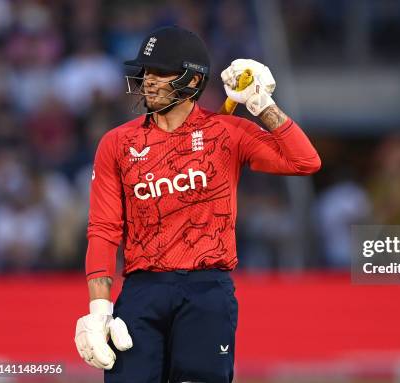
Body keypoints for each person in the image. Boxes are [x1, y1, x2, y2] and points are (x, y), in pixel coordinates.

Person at [74, 25, 321, 383]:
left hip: (207, 290)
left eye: (161, 72)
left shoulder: (228, 132)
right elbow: (103, 229)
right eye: (146, 72)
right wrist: (98, 309)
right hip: (143, 291)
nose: (148, 81)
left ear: (191, 81)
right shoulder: (117, 143)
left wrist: (261, 104)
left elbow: (305, 161)